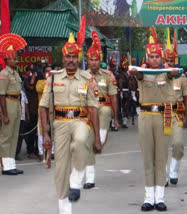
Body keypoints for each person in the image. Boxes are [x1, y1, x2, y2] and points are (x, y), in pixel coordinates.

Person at [39, 32, 101, 214]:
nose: (71, 60)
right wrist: (45, 133)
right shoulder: (52, 78)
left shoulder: (88, 79)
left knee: (81, 141)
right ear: (63, 58)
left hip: (80, 120)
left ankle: (77, 178)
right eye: (68, 56)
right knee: (61, 168)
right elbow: (43, 106)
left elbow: (93, 108)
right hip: (59, 123)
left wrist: (97, 136)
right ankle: (64, 208)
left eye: (74, 56)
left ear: (79, 58)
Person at [129, 26, 180, 212]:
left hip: (163, 115)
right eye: (151, 57)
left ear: (161, 58)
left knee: (161, 157)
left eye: (157, 56)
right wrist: (135, 71)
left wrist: (171, 70)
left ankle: (160, 197)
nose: (154, 59)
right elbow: (138, 74)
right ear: (147, 58)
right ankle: (148, 197)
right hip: (146, 116)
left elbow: (177, 73)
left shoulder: (167, 72)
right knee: (147, 158)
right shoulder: (143, 73)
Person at [83, 30, 118, 189]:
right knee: (88, 146)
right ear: (87, 60)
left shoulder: (108, 75)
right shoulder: (82, 76)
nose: (94, 62)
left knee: (103, 111)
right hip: (88, 112)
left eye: (96, 59)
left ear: (100, 60)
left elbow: (114, 97)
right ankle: (89, 178)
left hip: (104, 109)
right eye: (91, 60)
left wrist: (116, 118)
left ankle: (101, 137)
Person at [0, 33, 27, 175]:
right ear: (7, 60)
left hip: (16, 103)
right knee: (6, 135)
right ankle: (5, 165)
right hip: (8, 103)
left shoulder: (15, 73)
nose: (16, 60)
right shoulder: (4, 74)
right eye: (14, 59)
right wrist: (5, 114)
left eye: (16, 58)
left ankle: (11, 163)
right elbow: (1, 95)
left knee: (14, 135)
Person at [163, 31, 187, 186]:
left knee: (178, 144)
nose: (169, 64)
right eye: (167, 61)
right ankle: (165, 175)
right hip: (161, 113)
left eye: (172, 61)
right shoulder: (157, 75)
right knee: (161, 147)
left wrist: (186, 116)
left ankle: (173, 171)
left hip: (176, 113)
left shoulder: (182, 77)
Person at [35, 65, 54, 161]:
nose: (49, 73)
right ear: (43, 73)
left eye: (51, 72)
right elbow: (40, 89)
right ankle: (41, 152)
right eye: (47, 71)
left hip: (53, 110)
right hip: (42, 110)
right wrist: (48, 81)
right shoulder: (40, 82)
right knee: (41, 131)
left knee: (53, 131)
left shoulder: (56, 82)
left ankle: (53, 151)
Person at [119, 56, 130, 128]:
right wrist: (121, 92)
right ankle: (120, 120)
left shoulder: (127, 74)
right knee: (121, 107)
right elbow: (120, 83)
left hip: (127, 92)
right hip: (123, 92)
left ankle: (124, 121)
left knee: (126, 107)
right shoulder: (121, 74)